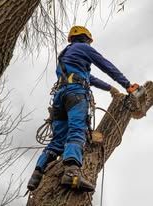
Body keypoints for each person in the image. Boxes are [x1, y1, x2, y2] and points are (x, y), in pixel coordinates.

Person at [27, 26, 139, 192]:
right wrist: (127, 85)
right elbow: (105, 64)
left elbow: (89, 78)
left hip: (60, 97)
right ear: (86, 39)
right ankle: (71, 173)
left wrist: (110, 88)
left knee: (57, 141)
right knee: (77, 130)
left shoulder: (65, 55)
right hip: (76, 94)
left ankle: (36, 175)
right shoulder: (83, 48)